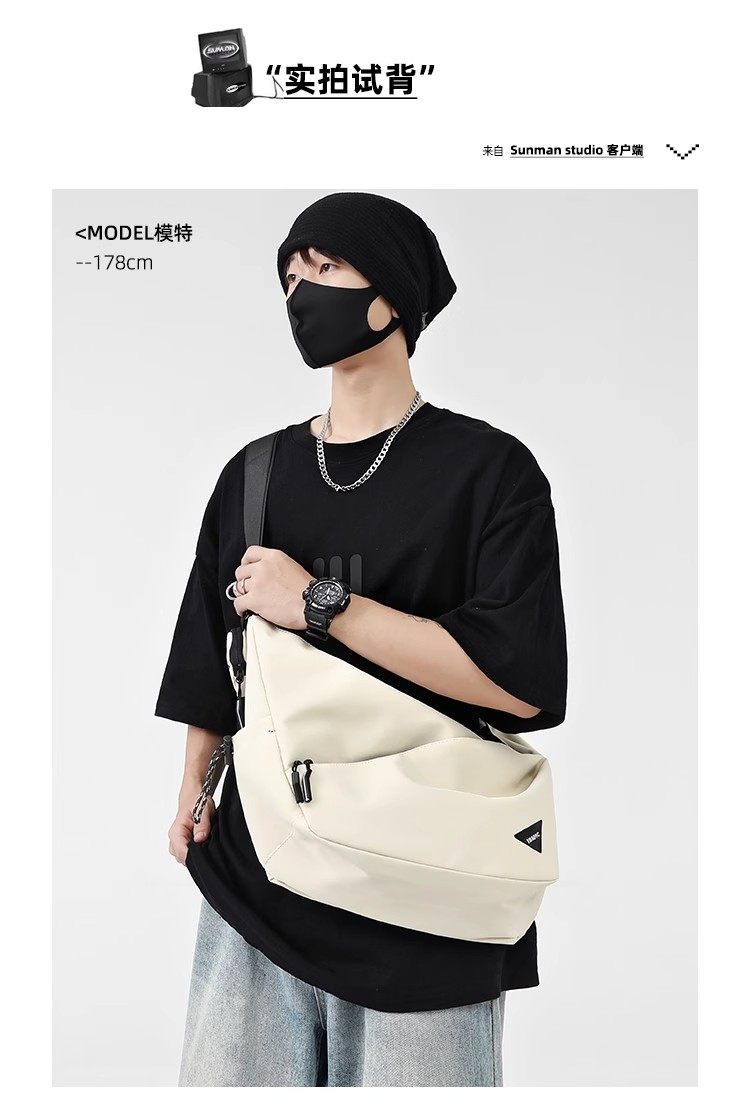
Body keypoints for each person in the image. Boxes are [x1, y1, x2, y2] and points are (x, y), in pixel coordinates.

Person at [155, 191, 568, 1088]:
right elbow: (209, 656)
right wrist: (192, 787)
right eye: (289, 274)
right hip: (258, 879)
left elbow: (522, 682)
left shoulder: (489, 473)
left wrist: (318, 603)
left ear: (394, 295)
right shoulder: (254, 475)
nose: (301, 291)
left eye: (327, 266)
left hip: (428, 897)